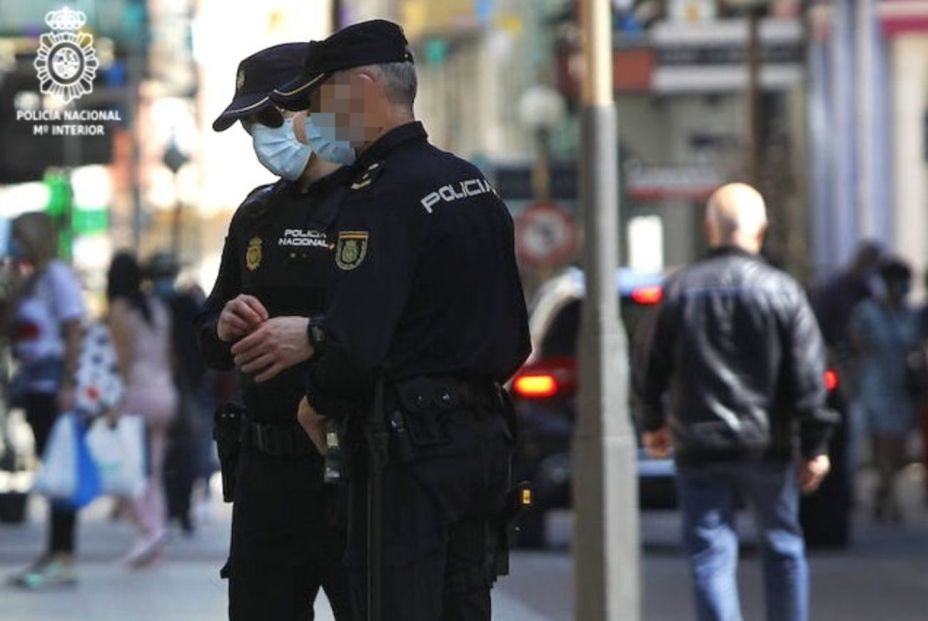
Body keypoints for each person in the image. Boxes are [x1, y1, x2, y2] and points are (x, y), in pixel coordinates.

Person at [245, 19, 530, 620]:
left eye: (322, 99)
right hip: (480, 442)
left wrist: (315, 398)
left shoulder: (380, 194)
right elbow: (513, 337)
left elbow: (357, 345)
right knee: (464, 604)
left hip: (408, 452)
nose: (312, 118)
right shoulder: (469, 181)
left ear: (365, 88)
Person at [194, 42, 353, 621]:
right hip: (267, 469)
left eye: (269, 117)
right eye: (249, 125)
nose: (259, 137)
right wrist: (224, 324)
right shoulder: (258, 213)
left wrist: (314, 333)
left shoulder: (378, 202)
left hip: (353, 466)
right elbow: (208, 335)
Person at [636, 183, 836, 621]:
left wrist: (653, 421)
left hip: (699, 444)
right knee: (783, 546)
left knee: (710, 554)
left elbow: (651, 365)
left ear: (709, 229)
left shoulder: (680, 290)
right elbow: (808, 375)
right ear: (761, 231)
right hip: (768, 445)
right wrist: (816, 445)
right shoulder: (782, 291)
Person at [6, 212, 85, 588]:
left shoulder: (56, 276)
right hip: (34, 386)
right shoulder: (31, 278)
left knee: (59, 472)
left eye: (21, 236)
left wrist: (68, 383)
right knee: (51, 469)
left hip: (53, 386)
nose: (17, 243)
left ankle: (63, 553)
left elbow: (73, 329)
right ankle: (54, 550)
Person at [107, 252, 178, 566]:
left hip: (135, 394)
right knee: (154, 473)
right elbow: (170, 355)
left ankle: (149, 528)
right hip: (164, 393)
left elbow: (121, 359)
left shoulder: (120, 310)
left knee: (125, 471)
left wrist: (114, 401)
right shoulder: (158, 308)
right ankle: (154, 536)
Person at [849, 257, 920, 523]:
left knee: (899, 446)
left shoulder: (912, 315)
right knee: (881, 443)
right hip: (875, 384)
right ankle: (889, 496)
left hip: (901, 386)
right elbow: (851, 346)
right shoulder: (867, 312)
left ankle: (885, 489)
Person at [146, 251, 210, 534]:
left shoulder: (179, 305)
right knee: (175, 452)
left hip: (183, 387)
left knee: (184, 451)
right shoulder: (155, 305)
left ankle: (178, 507)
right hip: (170, 386)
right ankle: (172, 507)